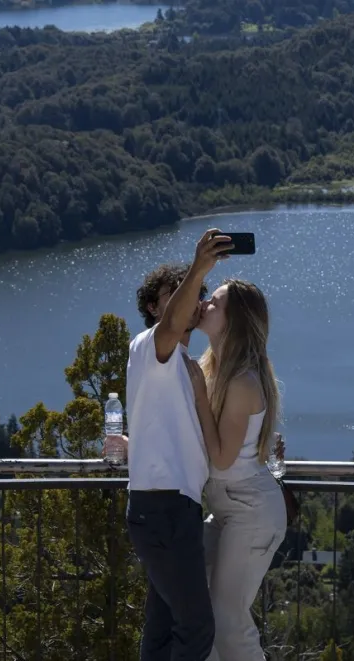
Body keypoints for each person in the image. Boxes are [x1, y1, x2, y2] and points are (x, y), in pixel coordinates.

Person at [108, 229, 234, 661]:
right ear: (152, 307)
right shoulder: (150, 348)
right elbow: (171, 328)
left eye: (195, 292)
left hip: (174, 508)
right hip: (163, 510)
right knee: (197, 628)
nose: (192, 298)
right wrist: (198, 267)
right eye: (176, 292)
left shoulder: (184, 366)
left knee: (163, 628)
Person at [183, 277, 288, 661]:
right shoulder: (212, 369)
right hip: (229, 508)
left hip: (251, 512)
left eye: (215, 302)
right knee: (193, 607)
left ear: (234, 320)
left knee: (229, 621)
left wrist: (198, 395)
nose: (204, 303)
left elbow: (222, 458)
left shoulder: (241, 382)